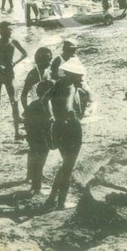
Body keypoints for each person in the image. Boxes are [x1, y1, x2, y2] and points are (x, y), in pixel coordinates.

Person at [42, 58, 89, 210]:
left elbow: (44, 100)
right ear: (73, 74)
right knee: (68, 167)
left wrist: (51, 117)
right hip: (70, 127)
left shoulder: (58, 84)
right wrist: (75, 117)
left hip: (58, 126)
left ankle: (51, 199)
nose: (82, 77)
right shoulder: (71, 87)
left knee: (66, 165)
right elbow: (69, 107)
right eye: (80, 75)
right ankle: (60, 203)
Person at [23, 79, 54, 195]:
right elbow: (48, 121)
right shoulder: (45, 104)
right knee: (40, 161)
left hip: (33, 136)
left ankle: (33, 182)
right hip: (41, 137)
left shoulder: (34, 103)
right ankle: (37, 188)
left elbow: (25, 117)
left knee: (35, 159)